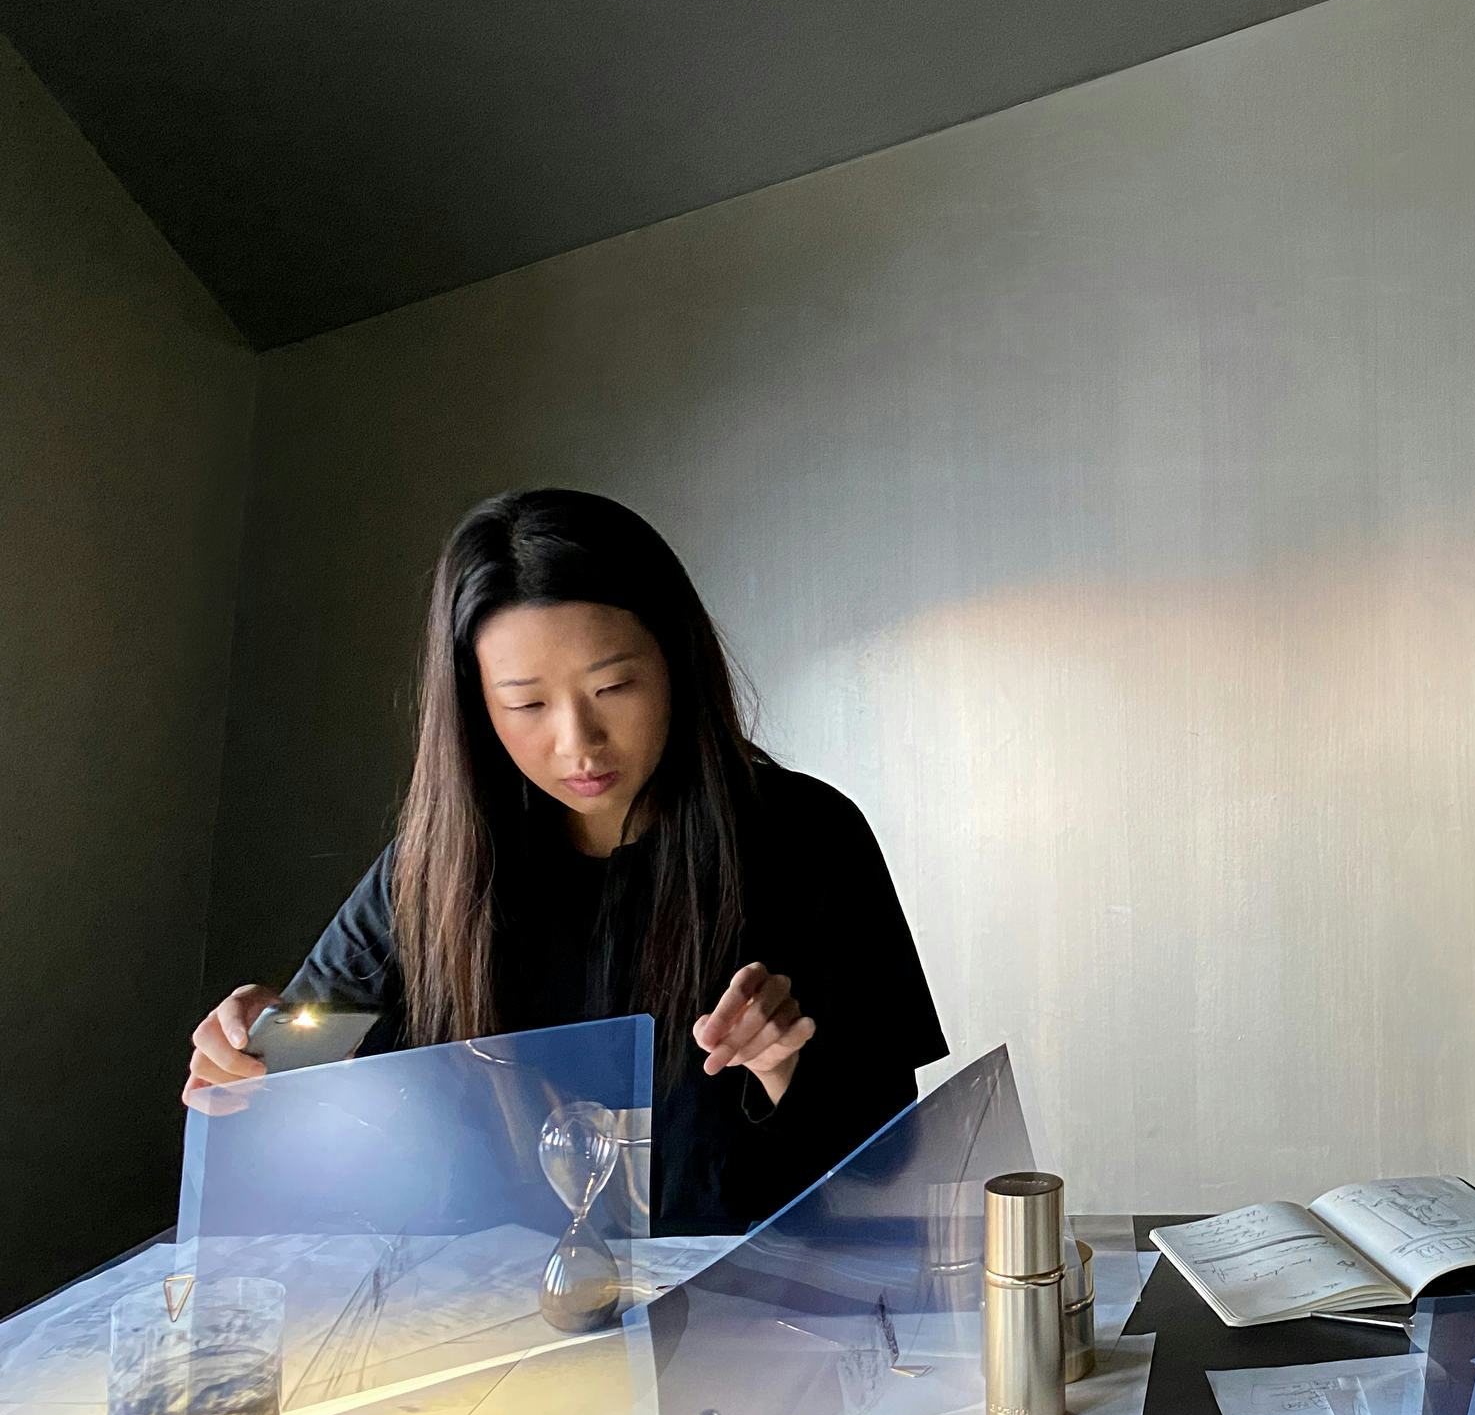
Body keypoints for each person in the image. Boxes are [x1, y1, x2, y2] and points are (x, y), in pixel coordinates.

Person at [182, 487, 948, 1234]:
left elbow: (887, 1158)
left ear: (675, 662)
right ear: (476, 705)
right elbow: (295, 1062)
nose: (578, 743)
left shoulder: (807, 835)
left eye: (613, 686)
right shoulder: (435, 871)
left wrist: (785, 1069)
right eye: (527, 704)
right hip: (489, 1299)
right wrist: (251, 1050)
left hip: (742, 1296)